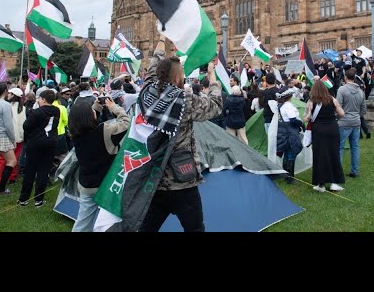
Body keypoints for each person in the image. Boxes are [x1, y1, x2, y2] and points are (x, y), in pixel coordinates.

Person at [138, 36, 222, 232]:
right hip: (182, 180)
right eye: (182, 73)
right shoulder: (183, 100)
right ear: (176, 79)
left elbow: (152, 67)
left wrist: (160, 39)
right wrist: (212, 77)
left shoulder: (147, 92)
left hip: (155, 178)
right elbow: (215, 106)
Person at [69, 96, 130, 232]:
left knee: (83, 222)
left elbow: (87, 123)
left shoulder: (75, 134)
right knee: (110, 223)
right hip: (108, 186)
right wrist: (114, 108)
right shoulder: (104, 130)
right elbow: (126, 123)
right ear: (90, 116)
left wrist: (96, 107)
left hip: (88, 185)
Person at [17, 89, 60, 207]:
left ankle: (24, 198)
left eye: (40, 98)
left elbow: (26, 126)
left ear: (44, 99)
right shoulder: (56, 110)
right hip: (50, 142)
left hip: (36, 143)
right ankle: (38, 199)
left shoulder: (36, 112)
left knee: (30, 170)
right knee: (43, 171)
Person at [304, 80, 346, 192]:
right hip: (332, 128)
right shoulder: (332, 99)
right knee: (334, 154)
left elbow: (307, 117)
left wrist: (307, 117)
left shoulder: (311, 101)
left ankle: (321, 184)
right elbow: (342, 113)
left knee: (320, 156)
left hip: (318, 130)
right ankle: (334, 183)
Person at [336, 68, 367, 178]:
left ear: (345, 77)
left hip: (344, 122)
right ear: (354, 78)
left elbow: (337, 106)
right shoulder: (361, 91)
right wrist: (358, 116)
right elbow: (364, 109)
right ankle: (355, 170)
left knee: (340, 147)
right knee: (355, 147)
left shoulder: (342, 89)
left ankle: (338, 172)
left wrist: (337, 117)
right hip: (356, 121)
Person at [0, 87, 25, 187]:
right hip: (19, 137)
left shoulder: (7, 106)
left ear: (13, 95)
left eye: (10, 93)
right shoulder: (22, 108)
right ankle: (12, 177)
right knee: (14, 160)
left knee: (3, 159)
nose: (8, 95)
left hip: (8, 136)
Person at [275, 87, 304, 184]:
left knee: (287, 153)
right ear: (289, 96)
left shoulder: (280, 106)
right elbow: (293, 119)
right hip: (290, 132)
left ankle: (286, 175)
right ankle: (290, 178)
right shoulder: (288, 106)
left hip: (284, 131)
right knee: (291, 153)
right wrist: (301, 123)